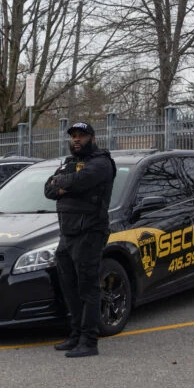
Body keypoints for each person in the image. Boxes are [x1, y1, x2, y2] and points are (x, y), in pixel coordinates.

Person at [44, 121, 116, 358]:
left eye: (81, 136)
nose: (76, 139)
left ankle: (89, 341)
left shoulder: (101, 163)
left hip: (90, 233)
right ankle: (75, 334)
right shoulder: (69, 163)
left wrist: (64, 185)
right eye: (73, 136)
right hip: (68, 233)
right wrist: (63, 185)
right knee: (70, 287)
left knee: (88, 288)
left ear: (92, 138)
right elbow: (48, 190)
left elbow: (79, 181)